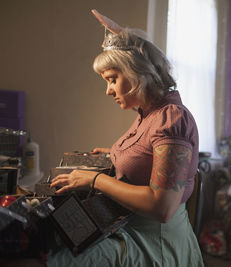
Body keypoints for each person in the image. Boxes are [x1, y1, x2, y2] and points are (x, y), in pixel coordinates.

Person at [45, 9, 203, 267]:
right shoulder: (149, 114)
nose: (108, 90)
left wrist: (94, 179)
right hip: (127, 226)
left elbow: (162, 208)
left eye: (112, 79)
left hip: (153, 242)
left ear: (137, 73)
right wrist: (113, 155)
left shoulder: (171, 118)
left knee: (47, 260)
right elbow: (150, 153)